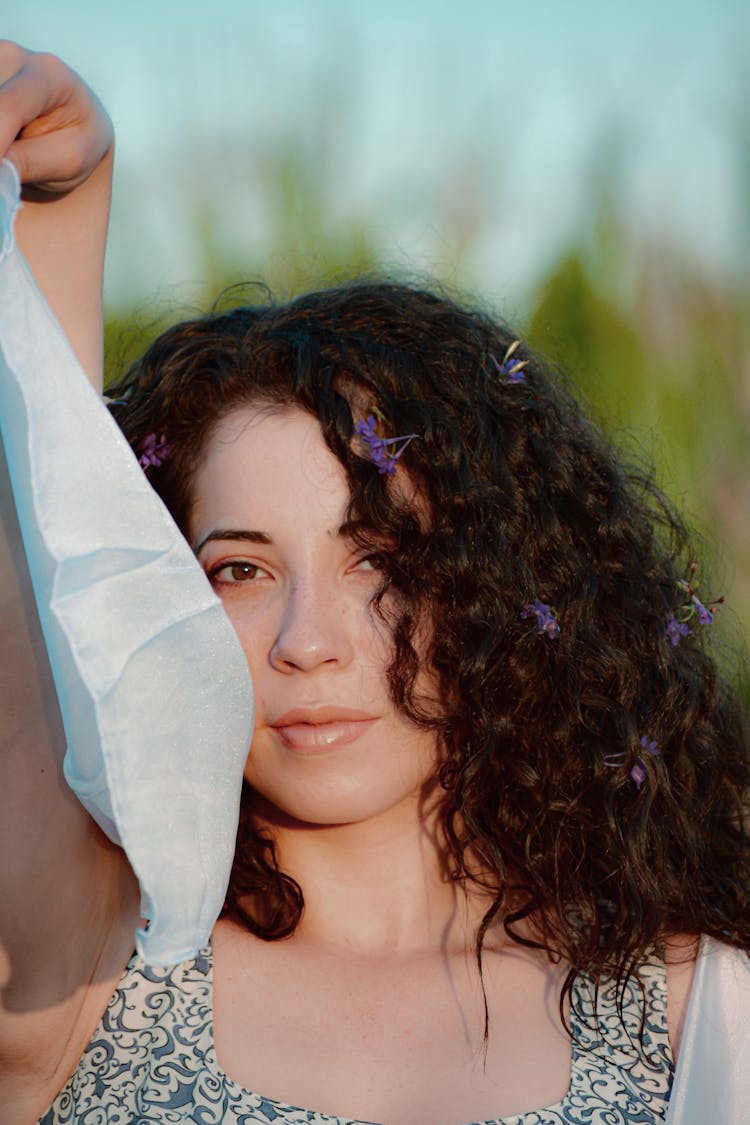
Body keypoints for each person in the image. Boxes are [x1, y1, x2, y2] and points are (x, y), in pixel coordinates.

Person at [0, 41, 749, 1125]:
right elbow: (33, 575)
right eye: (242, 569)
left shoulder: (698, 1012)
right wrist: (62, 216)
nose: (312, 640)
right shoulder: (88, 977)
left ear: (500, 585)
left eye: (381, 562)